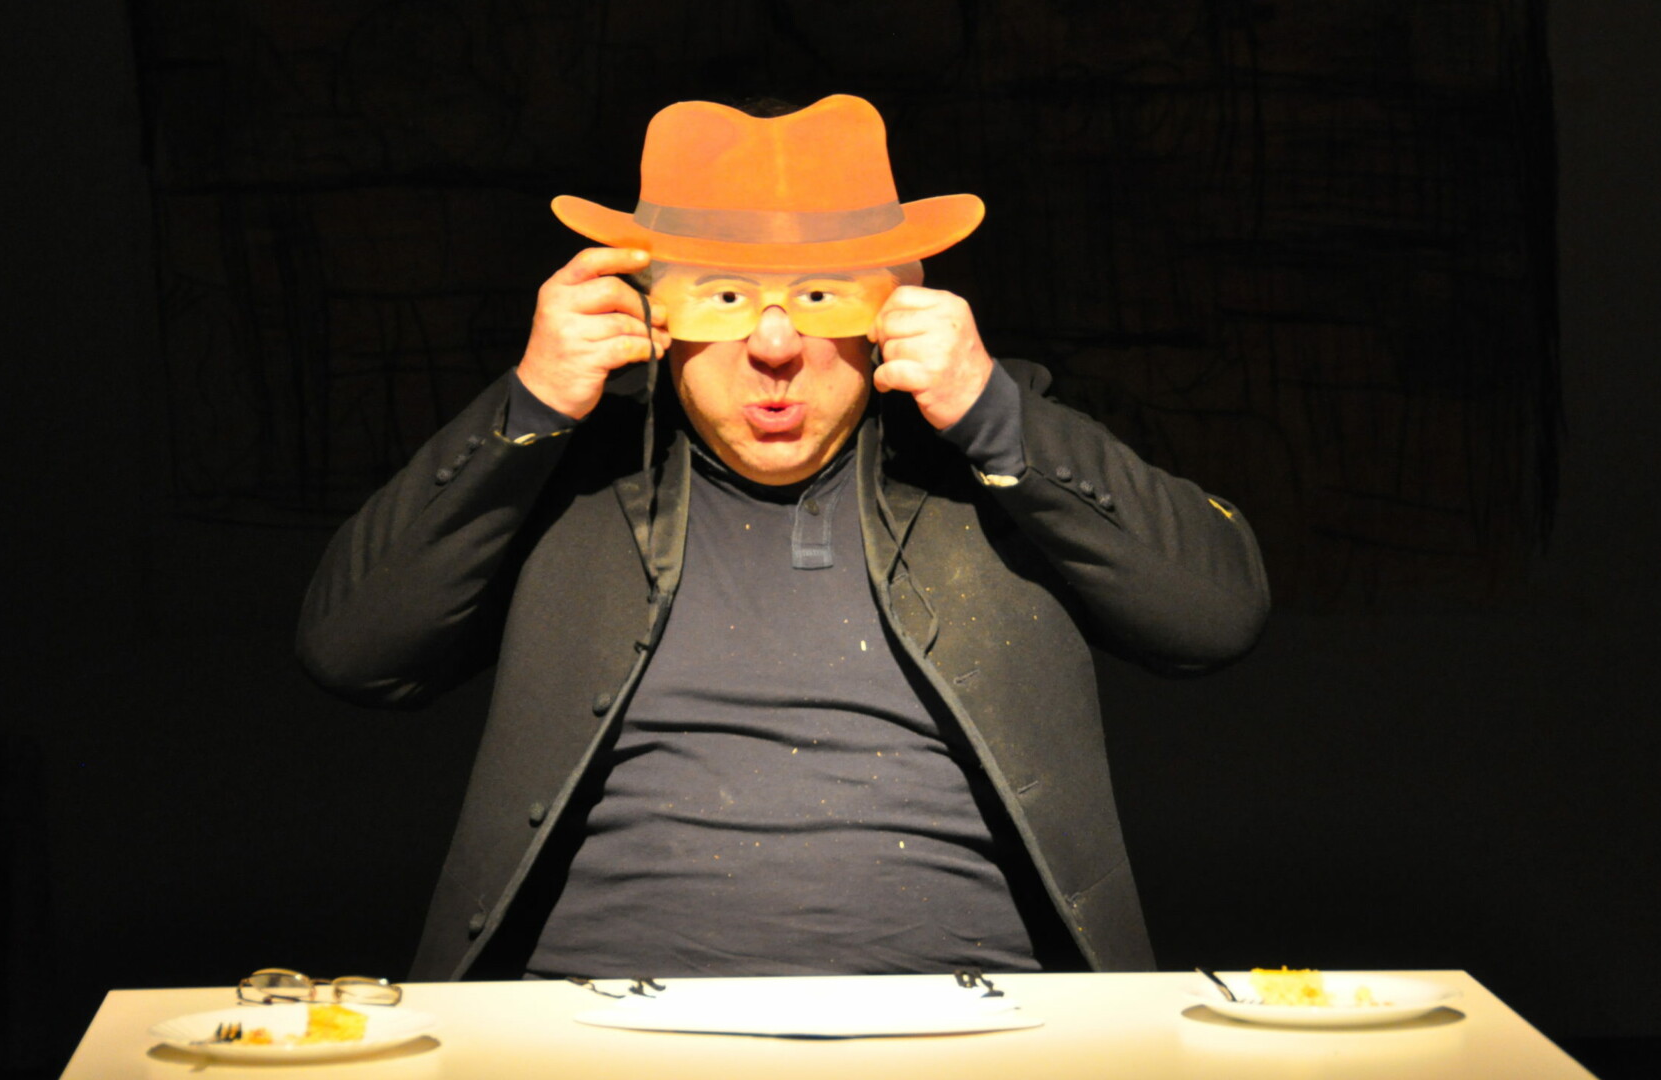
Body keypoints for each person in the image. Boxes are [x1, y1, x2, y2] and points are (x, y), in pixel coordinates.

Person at [298, 94, 1268, 982]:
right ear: (653, 311)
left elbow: (1215, 618)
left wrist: (996, 418)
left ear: (893, 304)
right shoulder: (575, 471)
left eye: (820, 297)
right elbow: (352, 650)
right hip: (599, 1030)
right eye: (724, 296)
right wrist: (526, 411)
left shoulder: (991, 455)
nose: (773, 345)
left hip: (964, 1030)